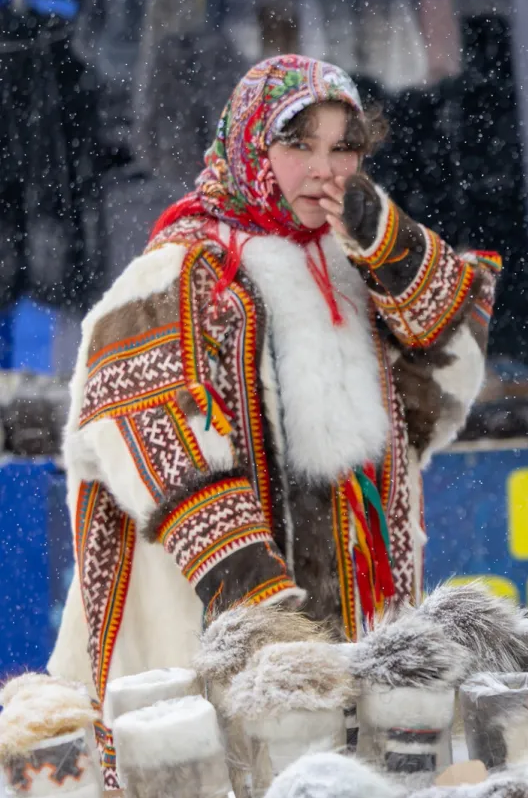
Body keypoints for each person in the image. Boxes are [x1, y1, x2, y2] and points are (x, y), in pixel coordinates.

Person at [50, 55, 496, 696]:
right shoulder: (177, 273)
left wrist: (389, 244)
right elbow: (159, 448)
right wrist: (262, 608)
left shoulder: (352, 264)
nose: (325, 169)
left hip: (362, 626)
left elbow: (450, 371)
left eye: (344, 148)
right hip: (215, 639)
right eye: (298, 144)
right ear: (251, 147)